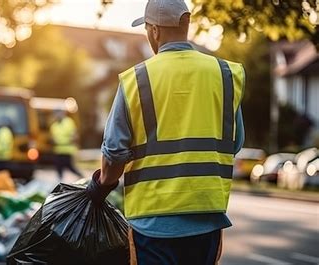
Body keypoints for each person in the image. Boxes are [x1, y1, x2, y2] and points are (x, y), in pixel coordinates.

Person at [86, 0, 245, 264]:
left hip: (153, 223)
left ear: (155, 31)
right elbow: (236, 142)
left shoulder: (136, 79)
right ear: (187, 23)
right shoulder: (225, 74)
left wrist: (101, 187)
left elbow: (114, 153)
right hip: (207, 218)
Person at [50, 110, 83, 179]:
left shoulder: (69, 122)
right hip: (58, 150)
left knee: (69, 166)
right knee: (58, 167)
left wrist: (72, 139)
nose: (57, 115)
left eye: (58, 113)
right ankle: (59, 181)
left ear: (62, 113)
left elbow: (75, 135)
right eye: (55, 114)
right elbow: (53, 137)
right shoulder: (53, 126)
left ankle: (81, 176)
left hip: (68, 149)